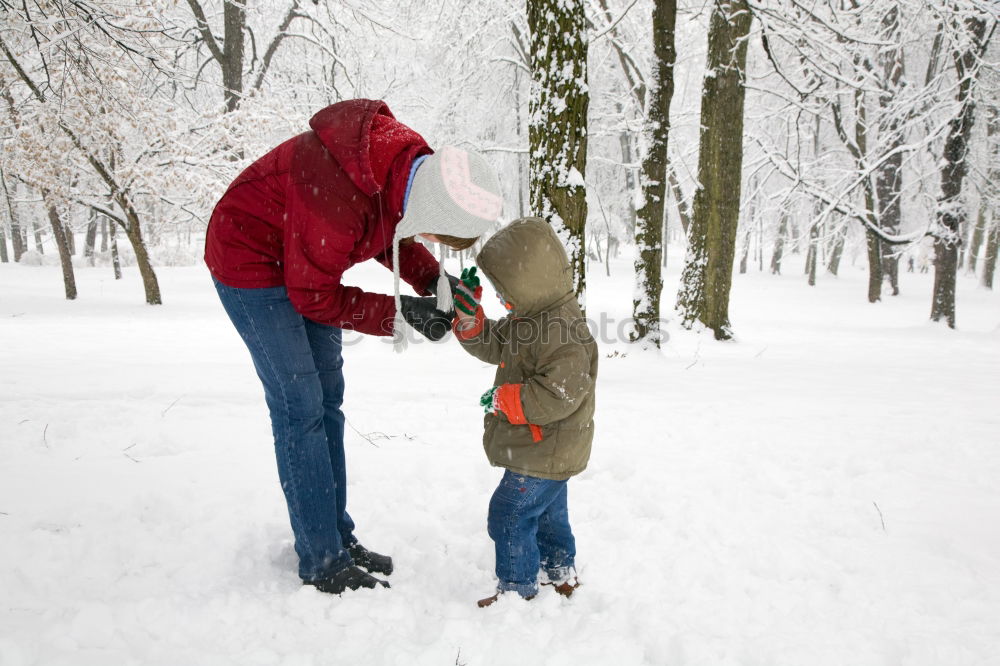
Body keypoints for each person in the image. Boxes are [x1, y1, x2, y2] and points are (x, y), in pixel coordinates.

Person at [205, 99, 503, 594]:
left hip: (307, 262)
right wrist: (402, 313)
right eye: (433, 229)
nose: (427, 234)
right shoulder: (336, 192)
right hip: (251, 261)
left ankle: (336, 537)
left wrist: (435, 280)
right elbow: (314, 296)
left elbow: (394, 228)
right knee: (299, 406)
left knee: (328, 399)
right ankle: (321, 558)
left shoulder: (405, 168)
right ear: (427, 203)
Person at [451, 217, 598, 607]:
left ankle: (517, 590)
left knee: (510, 513)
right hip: (545, 446)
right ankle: (559, 573)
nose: (501, 298)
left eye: (506, 288)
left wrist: (506, 400)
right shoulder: (531, 318)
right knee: (548, 513)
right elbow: (494, 343)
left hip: (544, 445)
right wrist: (470, 319)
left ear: (531, 279)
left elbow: (560, 392)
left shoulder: (562, 329)